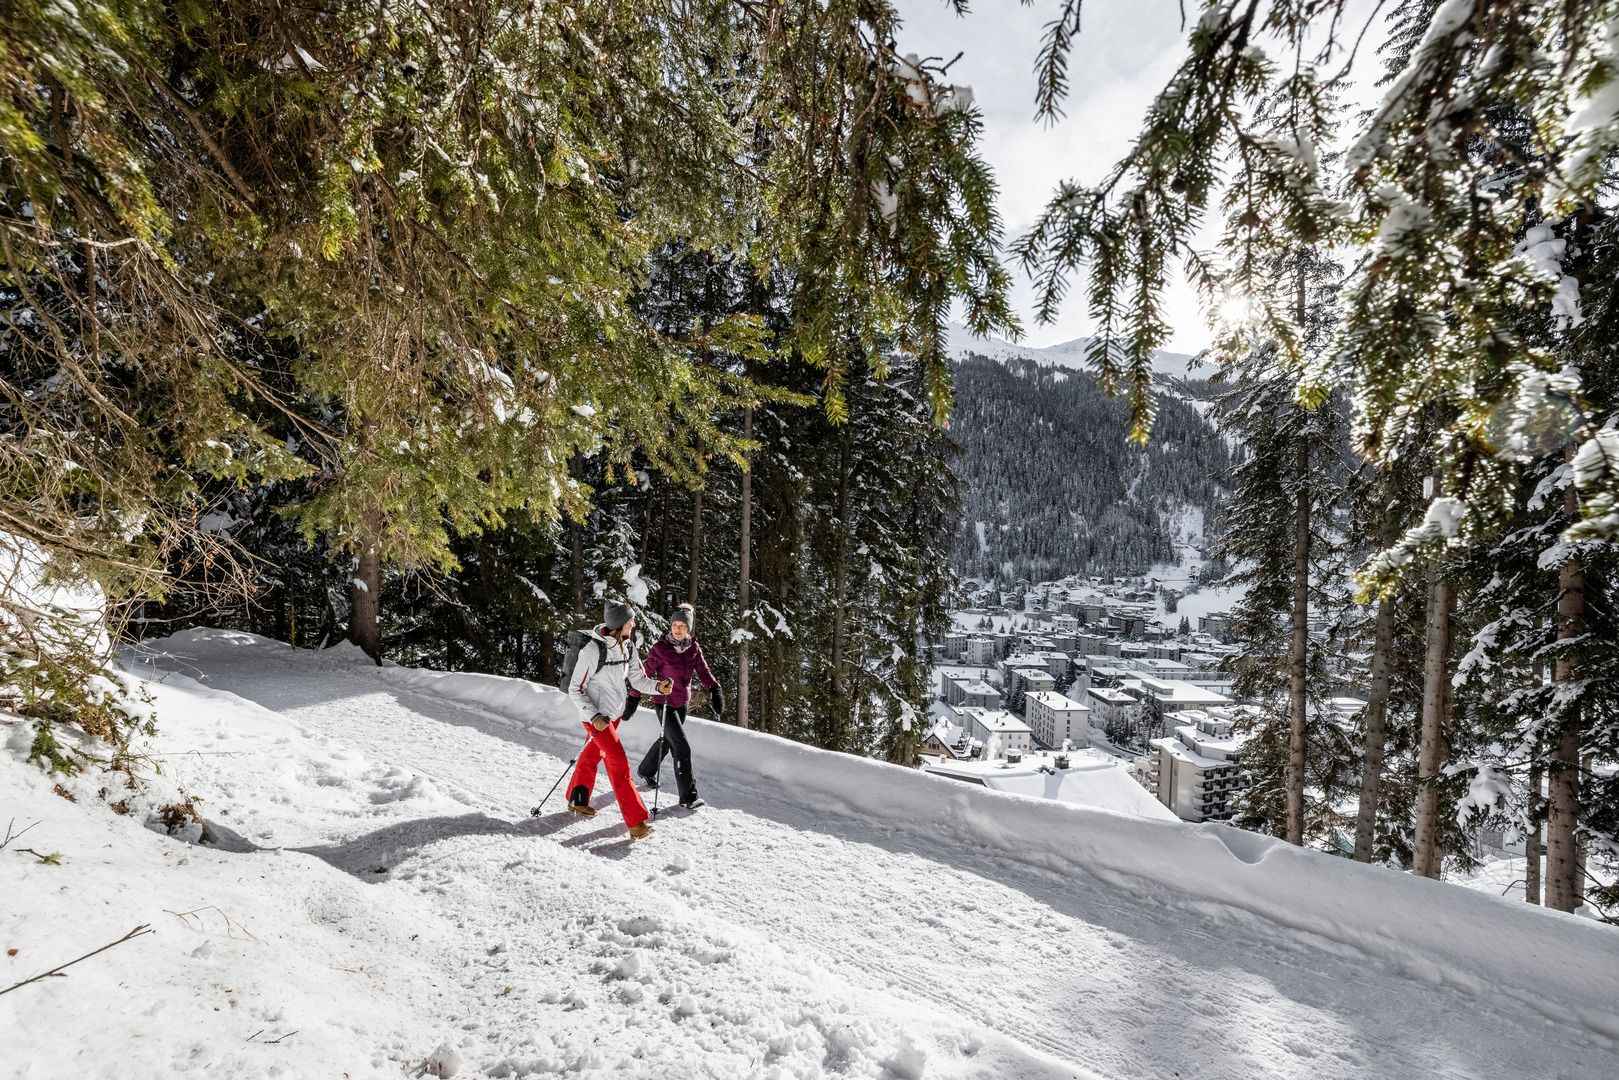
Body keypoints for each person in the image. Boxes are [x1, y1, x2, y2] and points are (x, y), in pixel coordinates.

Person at [564, 601, 672, 839]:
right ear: (619, 624)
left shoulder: (628, 648)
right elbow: (575, 688)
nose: (633, 623)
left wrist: (658, 687)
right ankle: (636, 822)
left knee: (591, 755)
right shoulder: (593, 650)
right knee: (619, 763)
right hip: (596, 719)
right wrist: (594, 716)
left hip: (614, 716)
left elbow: (638, 680)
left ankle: (577, 798)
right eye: (630, 620)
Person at [627, 603, 724, 810]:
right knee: (682, 747)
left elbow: (704, 672)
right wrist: (633, 698)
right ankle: (688, 797)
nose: (678, 629)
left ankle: (646, 770)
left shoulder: (693, 649)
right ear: (670, 626)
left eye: (683, 626)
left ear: (689, 629)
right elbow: (642, 676)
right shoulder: (660, 649)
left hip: (682, 704)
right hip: (664, 704)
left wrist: (715, 688)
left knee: (669, 740)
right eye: (675, 625)